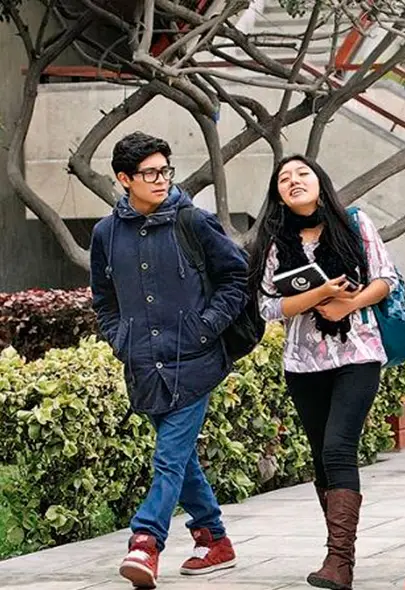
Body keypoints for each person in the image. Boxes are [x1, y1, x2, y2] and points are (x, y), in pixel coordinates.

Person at [90, 132, 248, 588]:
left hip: (195, 360)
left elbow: (235, 278)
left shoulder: (193, 221)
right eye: (149, 173)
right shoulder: (106, 233)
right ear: (125, 179)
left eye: (165, 170)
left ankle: (146, 541)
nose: (161, 180)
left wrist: (204, 327)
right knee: (179, 458)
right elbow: (104, 298)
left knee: (167, 458)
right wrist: (121, 339)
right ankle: (214, 537)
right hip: (143, 363)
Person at [246, 155, 398, 590]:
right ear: (278, 193)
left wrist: (347, 302)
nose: (294, 181)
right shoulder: (275, 241)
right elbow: (267, 306)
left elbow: (386, 278)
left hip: (357, 352)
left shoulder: (355, 222)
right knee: (320, 457)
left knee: (336, 449)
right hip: (303, 362)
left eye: (302, 174)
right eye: (284, 178)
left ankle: (339, 561)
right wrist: (317, 294)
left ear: (320, 182)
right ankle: (338, 555)